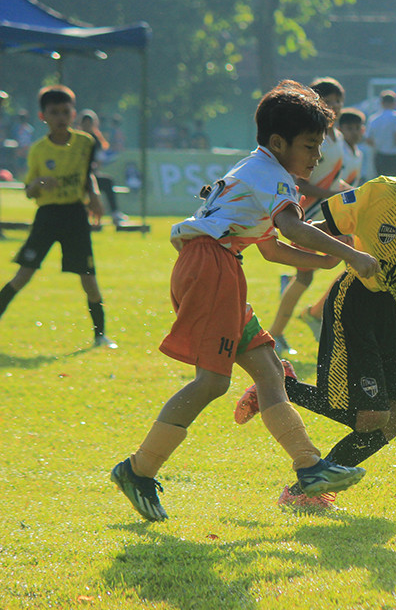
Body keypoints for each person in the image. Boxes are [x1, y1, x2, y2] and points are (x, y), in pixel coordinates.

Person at [109, 80, 380, 522]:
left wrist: (326, 259)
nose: (316, 157)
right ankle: (137, 470)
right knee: (212, 382)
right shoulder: (274, 176)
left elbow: (271, 247)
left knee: (269, 368)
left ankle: (309, 467)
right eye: (311, 146)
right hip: (211, 267)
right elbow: (289, 230)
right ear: (279, 143)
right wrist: (348, 252)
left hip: (213, 267)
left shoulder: (257, 169)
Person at [234, 112, 396, 510]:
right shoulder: (380, 193)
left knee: (392, 420)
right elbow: (325, 225)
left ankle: (280, 388)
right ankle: (302, 490)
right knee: (368, 415)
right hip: (353, 302)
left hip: (390, 308)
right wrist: (276, 243)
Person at [0, 85, 115, 348]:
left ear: (73, 113)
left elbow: (87, 175)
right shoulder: (39, 150)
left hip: (75, 215)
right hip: (48, 216)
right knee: (23, 275)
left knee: (89, 278)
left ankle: (100, 336)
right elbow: (29, 191)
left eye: (66, 111)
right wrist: (39, 183)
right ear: (43, 116)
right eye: (55, 112)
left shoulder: (85, 143)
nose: (61, 117)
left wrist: (94, 196)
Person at [268, 77, 348, 356]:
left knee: (351, 258)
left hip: (326, 213)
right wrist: (331, 196)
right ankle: (278, 332)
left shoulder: (338, 139)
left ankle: (309, 315)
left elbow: (332, 181)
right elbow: (297, 180)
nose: (335, 105)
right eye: (329, 100)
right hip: (306, 215)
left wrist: (354, 194)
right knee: (305, 279)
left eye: (338, 100)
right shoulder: (311, 135)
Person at [296, 107, 367, 345]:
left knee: (354, 267)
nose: (354, 132)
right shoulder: (328, 145)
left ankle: (319, 314)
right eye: (350, 128)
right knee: (305, 278)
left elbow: (340, 184)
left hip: (338, 216)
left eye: (358, 128)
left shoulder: (355, 152)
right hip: (315, 215)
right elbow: (309, 183)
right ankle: (286, 326)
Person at [78, 109, 128, 227]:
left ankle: (115, 213)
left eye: (89, 123)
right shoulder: (76, 138)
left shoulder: (96, 140)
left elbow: (99, 160)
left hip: (91, 175)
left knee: (107, 182)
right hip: (77, 176)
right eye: (84, 122)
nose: (87, 125)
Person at [366, 90, 396, 176]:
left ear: (382, 103)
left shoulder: (373, 119)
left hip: (378, 156)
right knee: (393, 183)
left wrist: (378, 145)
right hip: (392, 155)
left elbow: (368, 139)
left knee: (381, 182)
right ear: (394, 103)